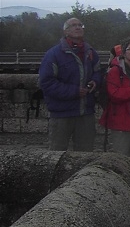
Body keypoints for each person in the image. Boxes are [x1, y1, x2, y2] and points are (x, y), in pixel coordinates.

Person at [38, 17, 102, 151]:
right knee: (57, 153)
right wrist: (74, 91)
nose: (78, 27)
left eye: (80, 25)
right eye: (73, 25)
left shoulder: (90, 52)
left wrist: (95, 82)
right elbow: (46, 82)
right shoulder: (53, 54)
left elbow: (98, 71)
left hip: (85, 113)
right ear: (65, 31)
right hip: (62, 113)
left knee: (85, 153)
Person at [100, 37, 130, 158]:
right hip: (121, 121)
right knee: (121, 157)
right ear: (123, 52)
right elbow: (115, 94)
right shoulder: (115, 72)